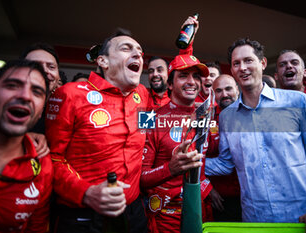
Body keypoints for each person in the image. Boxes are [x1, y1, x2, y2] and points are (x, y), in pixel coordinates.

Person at [205, 38, 306, 233]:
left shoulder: (297, 101)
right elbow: (226, 163)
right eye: (236, 63)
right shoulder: (227, 117)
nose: (242, 67)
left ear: (263, 63)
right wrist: (190, 162)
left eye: (248, 60)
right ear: (232, 70)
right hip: (255, 221)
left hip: (302, 219)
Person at [45, 29, 149, 233]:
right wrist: (87, 192)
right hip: (84, 216)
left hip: (135, 212)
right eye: (126, 49)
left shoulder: (143, 95)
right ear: (102, 61)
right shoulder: (70, 94)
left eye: (140, 52)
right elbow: (52, 158)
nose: (137, 55)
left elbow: (148, 133)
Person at [140, 15, 213, 233]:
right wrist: (170, 169)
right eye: (183, 77)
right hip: (167, 214)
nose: (192, 82)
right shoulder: (149, 118)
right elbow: (140, 179)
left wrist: (187, 44)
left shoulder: (206, 111)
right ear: (169, 85)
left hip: (202, 207)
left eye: (196, 77)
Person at [0, 60, 53, 232]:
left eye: (37, 92)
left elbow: (37, 227)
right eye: (12, 85)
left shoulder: (43, 165)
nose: (26, 96)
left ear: (42, 109)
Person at [206, 74, 241, 222]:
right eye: (219, 91)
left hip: (250, 198)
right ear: (213, 94)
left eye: (228, 89)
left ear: (237, 90)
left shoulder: (251, 114)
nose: (224, 94)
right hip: (219, 199)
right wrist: (207, 189)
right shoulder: (206, 119)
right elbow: (196, 156)